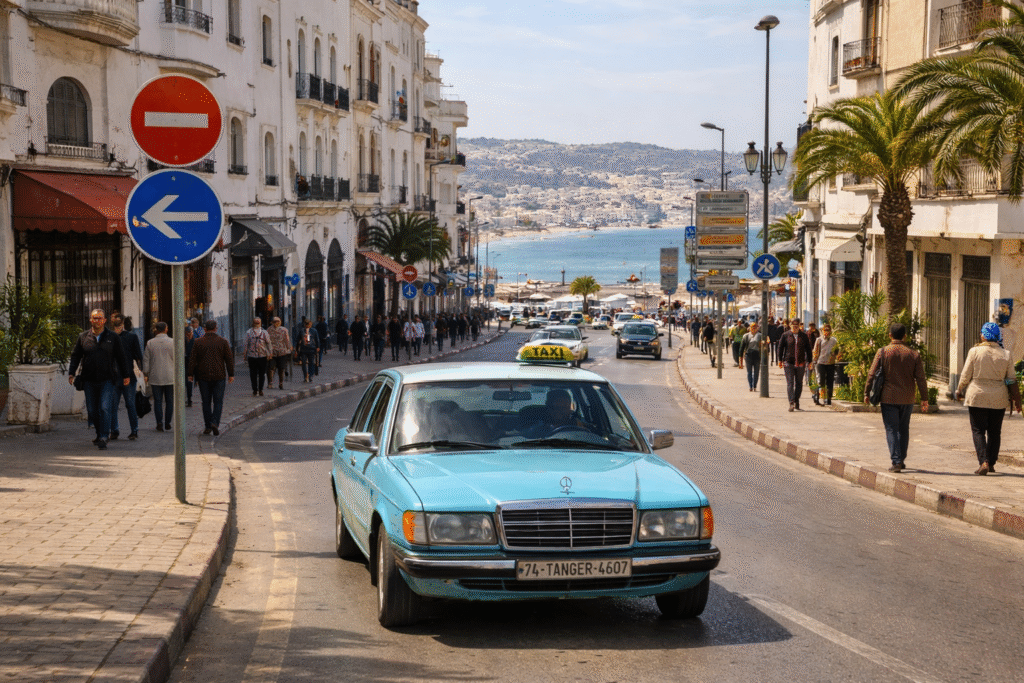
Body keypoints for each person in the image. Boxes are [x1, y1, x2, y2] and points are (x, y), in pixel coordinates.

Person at [956, 322, 1022, 475]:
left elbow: (966, 374)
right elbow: (1011, 379)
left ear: (983, 336)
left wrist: (959, 389)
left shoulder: (974, 352)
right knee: (994, 432)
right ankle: (991, 463)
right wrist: (1017, 400)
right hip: (998, 398)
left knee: (978, 430)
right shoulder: (1006, 354)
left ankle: (983, 461)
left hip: (977, 396)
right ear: (997, 337)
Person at [863, 323, 929, 473]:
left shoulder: (883, 352)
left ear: (890, 335)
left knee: (891, 429)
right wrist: (924, 398)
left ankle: (897, 461)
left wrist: (867, 392)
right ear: (905, 336)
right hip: (907, 398)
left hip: (888, 397)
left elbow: (871, 374)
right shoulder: (913, 354)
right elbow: (921, 378)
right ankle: (901, 459)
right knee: (904, 428)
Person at [68, 309, 131, 449]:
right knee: (92, 410)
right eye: (94, 318)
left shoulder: (112, 337)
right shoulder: (83, 337)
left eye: (99, 318)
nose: (97, 321)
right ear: (90, 320)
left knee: (104, 407)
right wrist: (71, 373)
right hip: (89, 379)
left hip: (107, 379)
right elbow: (76, 355)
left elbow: (121, 357)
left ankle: (104, 436)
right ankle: (98, 433)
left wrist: (126, 375)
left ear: (104, 320)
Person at [187, 319, 234, 436]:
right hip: (219, 376)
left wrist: (190, 374)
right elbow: (229, 359)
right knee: (218, 401)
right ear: (216, 329)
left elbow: (192, 359)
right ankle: (215, 422)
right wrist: (231, 374)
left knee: (206, 402)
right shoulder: (223, 341)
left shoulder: (198, 342)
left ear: (205, 329)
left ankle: (208, 426)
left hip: (203, 376)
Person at [109, 312, 143, 440]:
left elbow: (138, 356)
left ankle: (134, 430)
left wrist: (141, 372)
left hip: (128, 377)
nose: (117, 326)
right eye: (115, 323)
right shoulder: (108, 337)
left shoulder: (131, 337)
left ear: (122, 323)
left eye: (118, 323)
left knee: (130, 404)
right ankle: (115, 430)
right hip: (113, 377)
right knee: (114, 405)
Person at [143, 321, 175, 431]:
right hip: (170, 376)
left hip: (155, 375)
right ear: (166, 329)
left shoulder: (150, 343)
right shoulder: (173, 342)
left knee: (158, 401)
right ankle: (168, 422)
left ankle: (159, 422)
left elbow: (146, 360)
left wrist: (146, 373)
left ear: (156, 330)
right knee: (169, 400)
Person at [778, 319, 811, 411]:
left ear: (799, 326)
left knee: (799, 383)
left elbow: (808, 349)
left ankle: (796, 400)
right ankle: (791, 402)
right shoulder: (785, 335)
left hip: (801, 362)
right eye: (793, 326)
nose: (795, 328)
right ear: (790, 326)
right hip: (789, 362)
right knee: (790, 383)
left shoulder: (803, 336)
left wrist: (810, 361)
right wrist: (780, 360)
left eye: (797, 326)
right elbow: (780, 347)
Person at [812, 323, 840, 406]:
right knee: (821, 381)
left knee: (830, 381)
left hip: (830, 363)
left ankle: (828, 398)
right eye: (825, 330)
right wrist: (814, 360)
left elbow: (837, 350)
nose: (826, 332)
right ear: (822, 331)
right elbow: (815, 351)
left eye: (828, 330)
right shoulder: (819, 340)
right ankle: (818, 395)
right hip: (820, 363)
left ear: (830, 331)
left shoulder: (833, 341)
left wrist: (835, 355)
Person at [244, 317, 271, 396]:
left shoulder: (264, 332)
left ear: (261, 323)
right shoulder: (249, 332)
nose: (257, 324)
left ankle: (261, 389)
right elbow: (246, 344)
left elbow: (268, 343)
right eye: (256, 322)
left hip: (262, 356)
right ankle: (255, 389)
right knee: (253, 374)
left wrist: (270, 353)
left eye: (258, 322)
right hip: (252, 356)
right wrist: (245, 355)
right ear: (253, 323)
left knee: (262, 373)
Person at [267, 317, 293, 390]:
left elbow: (287, 340)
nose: (276, 323)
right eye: (275, 321)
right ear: (272, 322)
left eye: (278, 321)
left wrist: (289, 348)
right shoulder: (269, 330)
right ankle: (270, 382)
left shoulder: (284, 330)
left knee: (281, 368)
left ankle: (281, 383)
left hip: (282, 352)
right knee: (271, 368)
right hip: (272, 352)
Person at [184, 317, 202, 407]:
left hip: (194, 364)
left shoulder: (195, 340)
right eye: (188, 333)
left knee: (193, 381)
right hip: (186, 364)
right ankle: (189, 398)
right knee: (188, 381)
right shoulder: (182, 341)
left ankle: (190, 398)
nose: (189, 334)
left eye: (190, 333)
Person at [740, 322, 762, 392]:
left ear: (757, 328)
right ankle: (750, 386)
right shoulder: (746, 336)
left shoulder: (760, 335)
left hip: (757, 355)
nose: (754, 329)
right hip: (748, 355)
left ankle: (754, 385)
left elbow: (764, 345)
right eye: (752, 327)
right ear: (750, 328)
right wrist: (740, 361)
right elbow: (742, 348)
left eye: (755, 327)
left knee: (756, 372)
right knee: (749, 372)